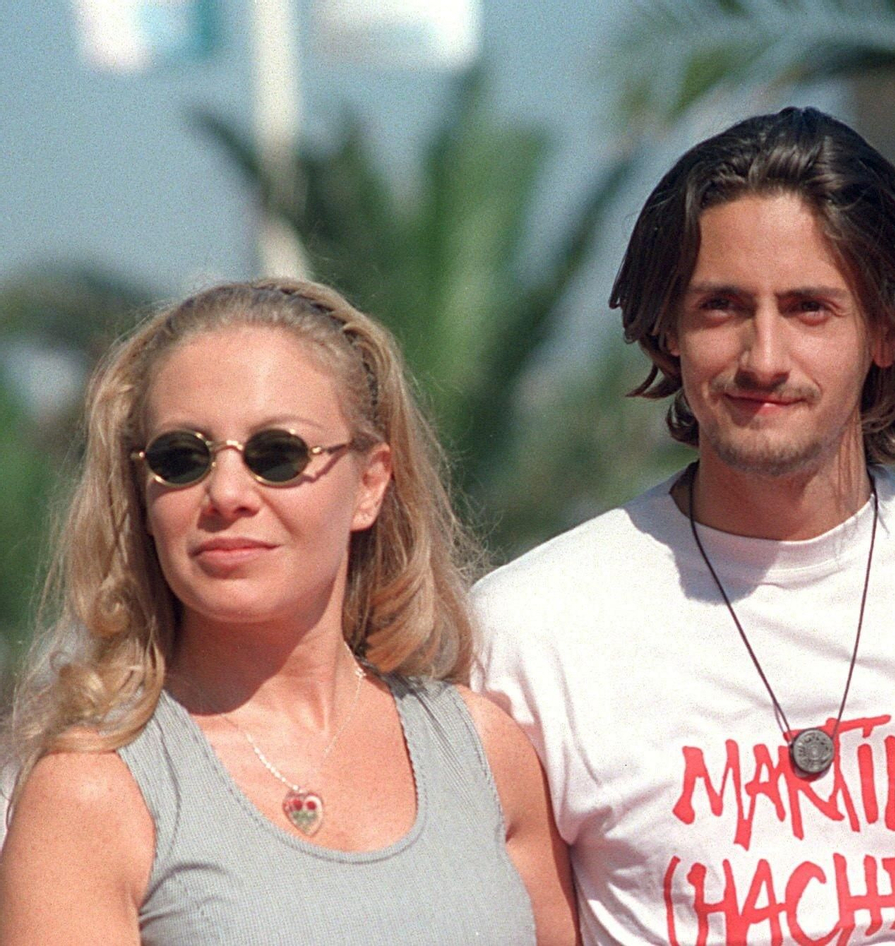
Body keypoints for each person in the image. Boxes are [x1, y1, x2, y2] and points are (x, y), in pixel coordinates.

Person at [474, 106, 895, 945]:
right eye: (721, 307)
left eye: (810, 307)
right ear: (665, 329)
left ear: (887, 330)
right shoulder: (532, 628)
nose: (764, 357)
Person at [0, 279, 579, 944]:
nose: (225, 493)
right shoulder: (93, 790)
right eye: (180, 458)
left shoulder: (483, 752)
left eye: (277, 454)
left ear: (370, 483)